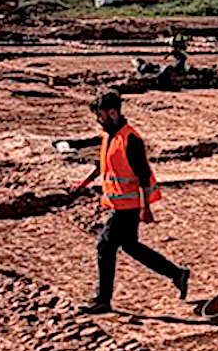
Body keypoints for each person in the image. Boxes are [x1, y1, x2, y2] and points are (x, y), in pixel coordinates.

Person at [80, 88, 190, 313]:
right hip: (120, 203)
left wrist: (145, 208)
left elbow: (143, 175)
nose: (98, 120)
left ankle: (102, 299)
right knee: (130, 246)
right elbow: (103, 165)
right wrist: (84, 182)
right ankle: (176, 273)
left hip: (128, 206)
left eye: (100, 114)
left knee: (104, 246)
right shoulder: (109, 135)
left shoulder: (131, 139)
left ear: (112, 112)